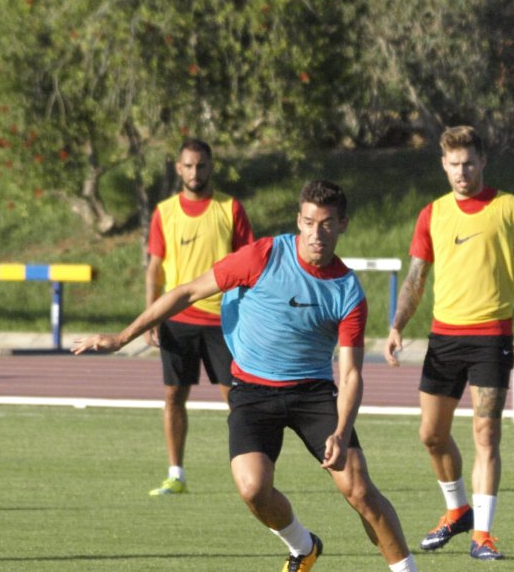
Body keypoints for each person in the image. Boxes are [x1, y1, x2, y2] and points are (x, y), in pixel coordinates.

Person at [75, 180, 417, 572]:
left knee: (358, 490)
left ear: (343, 224)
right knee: (253, 489)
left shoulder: (347, 291)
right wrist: (121, 337)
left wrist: (341, 431)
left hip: (313, 393)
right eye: (308, 222)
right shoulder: (264, 256)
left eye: (326, 223)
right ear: (298, 222)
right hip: (253, 391)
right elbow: (186, 292)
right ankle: (303, 547)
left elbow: (352, 373)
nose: (316, 233)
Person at [384, 125, 514, 561]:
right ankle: (457, 508)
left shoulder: (510, 208)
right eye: (454, 164)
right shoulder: (433, 213)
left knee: (486, 433)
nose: (462, 172)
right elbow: (415, 277)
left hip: (490, 337)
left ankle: (481, 535)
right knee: (431, 436)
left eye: (469, 163)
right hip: (443, 339)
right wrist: (396, 324)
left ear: (483, 161)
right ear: (443, 165)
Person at [144, 138, 253, 496]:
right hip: (178, 320)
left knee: (236, 399)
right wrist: (151, 315)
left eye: (201, 165)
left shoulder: (230, 209)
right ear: (178, 168)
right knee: (174, 396)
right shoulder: (165, 212)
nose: (195, 172)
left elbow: (251, 264)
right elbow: (155, 268)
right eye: (188, 166)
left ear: (211, 167)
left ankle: (248, 470)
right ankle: (176, 474)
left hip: (225, 321)